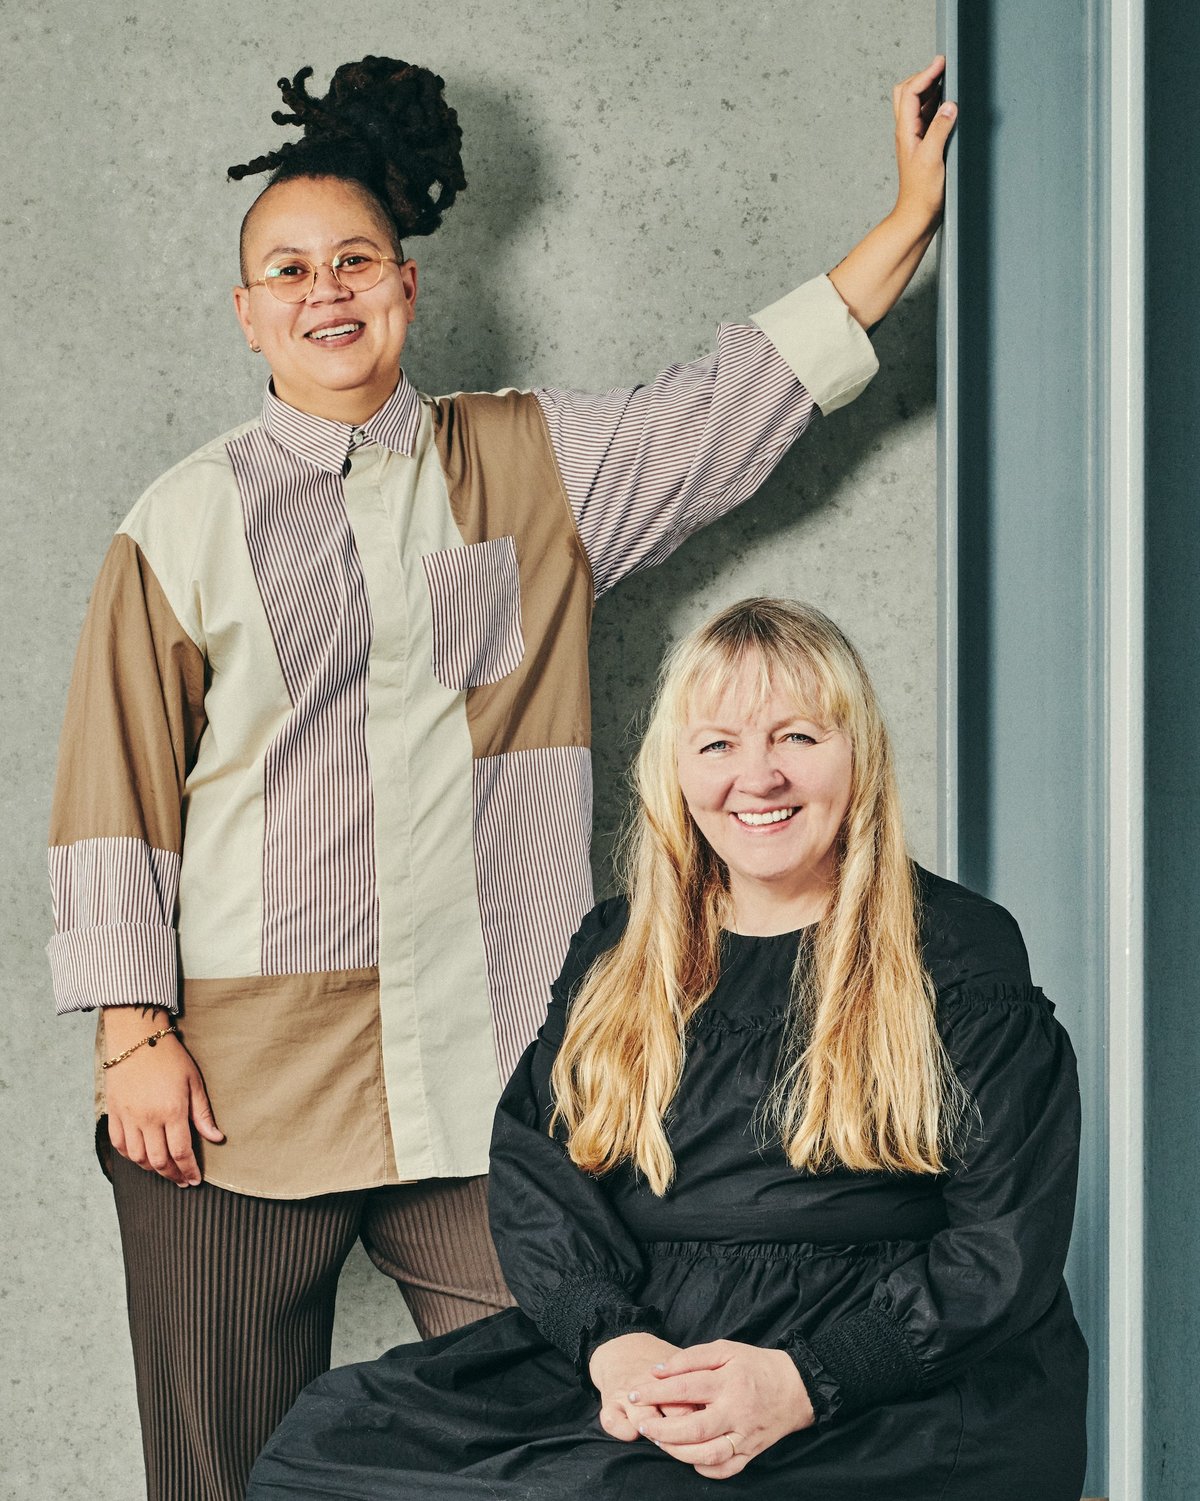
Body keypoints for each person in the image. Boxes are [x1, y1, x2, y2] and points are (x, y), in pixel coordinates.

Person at [47, 53, 956, 1501]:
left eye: (356, 259)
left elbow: (728, 406)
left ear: (408, 286)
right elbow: (116, 788)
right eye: (290, 270)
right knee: (215, 1479)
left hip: (492, 1081)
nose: (327, 290)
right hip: (234, 1098)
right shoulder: (181, 521)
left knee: (573, 1447)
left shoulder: (540, 465)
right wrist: (130, 1033)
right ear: (247, 312)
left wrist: (905, 220)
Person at [248, 597, 1088, 1500]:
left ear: (860, 753)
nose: (757, 777)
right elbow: (541, 1171)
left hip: (880, 1371)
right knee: (328, 1442)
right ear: (675, 769)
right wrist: (615, 1344)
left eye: (798, 737)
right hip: (652, 1336)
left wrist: (804, 1381)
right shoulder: (618, 947)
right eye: (718, 744)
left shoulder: (958, 953)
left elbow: (1002, 1247)